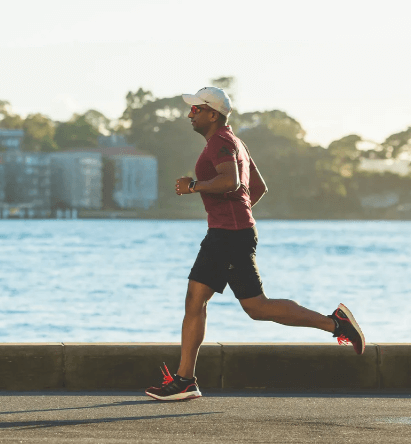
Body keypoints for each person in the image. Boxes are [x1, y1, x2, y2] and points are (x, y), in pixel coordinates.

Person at [145, 87, 365, 401]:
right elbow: (257, 187)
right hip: (229, 232)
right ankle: (185, 380)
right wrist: (237, 213)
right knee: (206, 301)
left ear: (213, 114)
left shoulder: (221, 143)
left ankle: (335, 324)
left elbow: (232, 182)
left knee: (249, 306)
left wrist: (194, 186)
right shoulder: (235, 142)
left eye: (196, 109)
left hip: (228, 235)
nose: (190, 114)